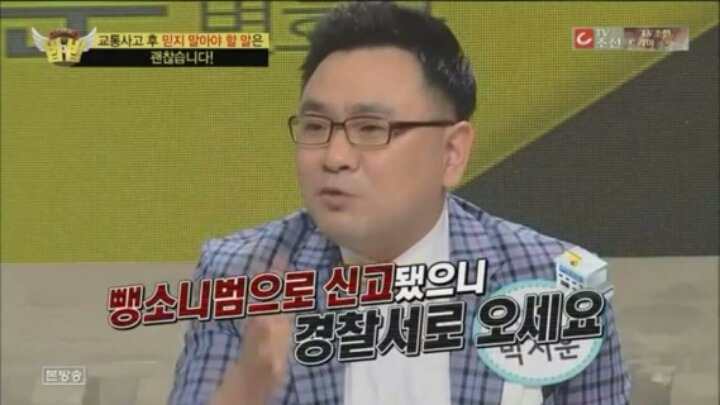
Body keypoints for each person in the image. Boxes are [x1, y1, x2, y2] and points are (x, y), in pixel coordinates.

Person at [168, 2, 631, 404]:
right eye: (315, 127)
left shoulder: (558, 287)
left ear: (451, 153)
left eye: (371, 129)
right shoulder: (241, 275)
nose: (334, 156)